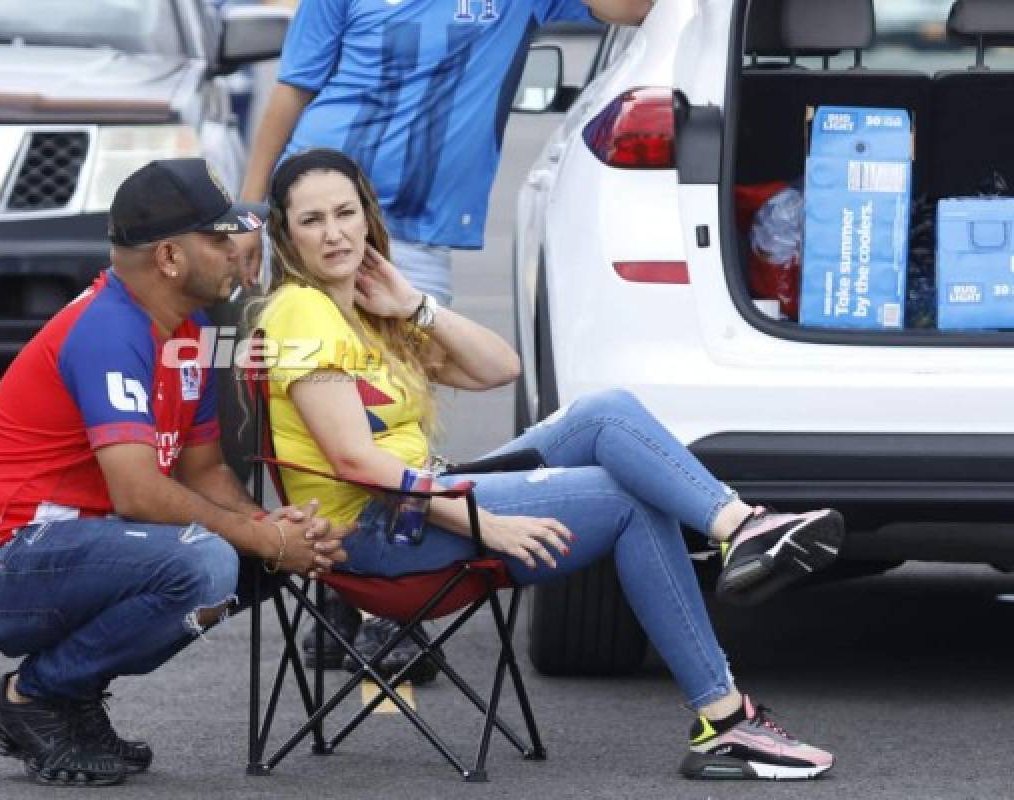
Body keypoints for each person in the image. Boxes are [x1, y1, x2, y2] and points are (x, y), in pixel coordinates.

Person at [249, 148, 843, 781]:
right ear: (286, 236)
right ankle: (725, 721)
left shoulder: (368, 313)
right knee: (625, 502)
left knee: (605, 412)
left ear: (368, 218)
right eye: (312, 220)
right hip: (379, 534)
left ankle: (739, 526)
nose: (335, 233)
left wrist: (414, 303)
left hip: (425, 501)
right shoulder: (299, 312)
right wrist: (485, 524)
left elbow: (499, 368)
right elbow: (352, 459)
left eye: (346, 213)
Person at [240, 0, 654, 676]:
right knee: (329, 409)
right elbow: (295, 88)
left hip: (419, 221)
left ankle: (386, 604)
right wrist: (253, 213)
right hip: (325, 208)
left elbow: (632, 11)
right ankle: (342, 579)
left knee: (397, 399)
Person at [0, 158, 349, 787]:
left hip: (71, 548)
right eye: (218, 237)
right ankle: (32, 697)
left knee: (250, 561)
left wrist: (275, 531)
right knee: (208, 563)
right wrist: (262, 537)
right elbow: (137, 492)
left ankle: (68, 698)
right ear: (170, 259)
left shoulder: (189, 327)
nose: (238, 248)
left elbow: (205, 469)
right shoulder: (108, 330)